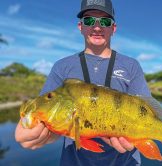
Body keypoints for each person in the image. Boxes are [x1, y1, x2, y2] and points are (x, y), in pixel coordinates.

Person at [15, 0, 151, 165]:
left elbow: (146, 112)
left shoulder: (131, 66)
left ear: (113, 29)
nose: (97, 27)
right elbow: (57, 119)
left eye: (105, 21)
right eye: (89, 20)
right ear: (80, 26)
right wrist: (43, 135)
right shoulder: (62, 67)